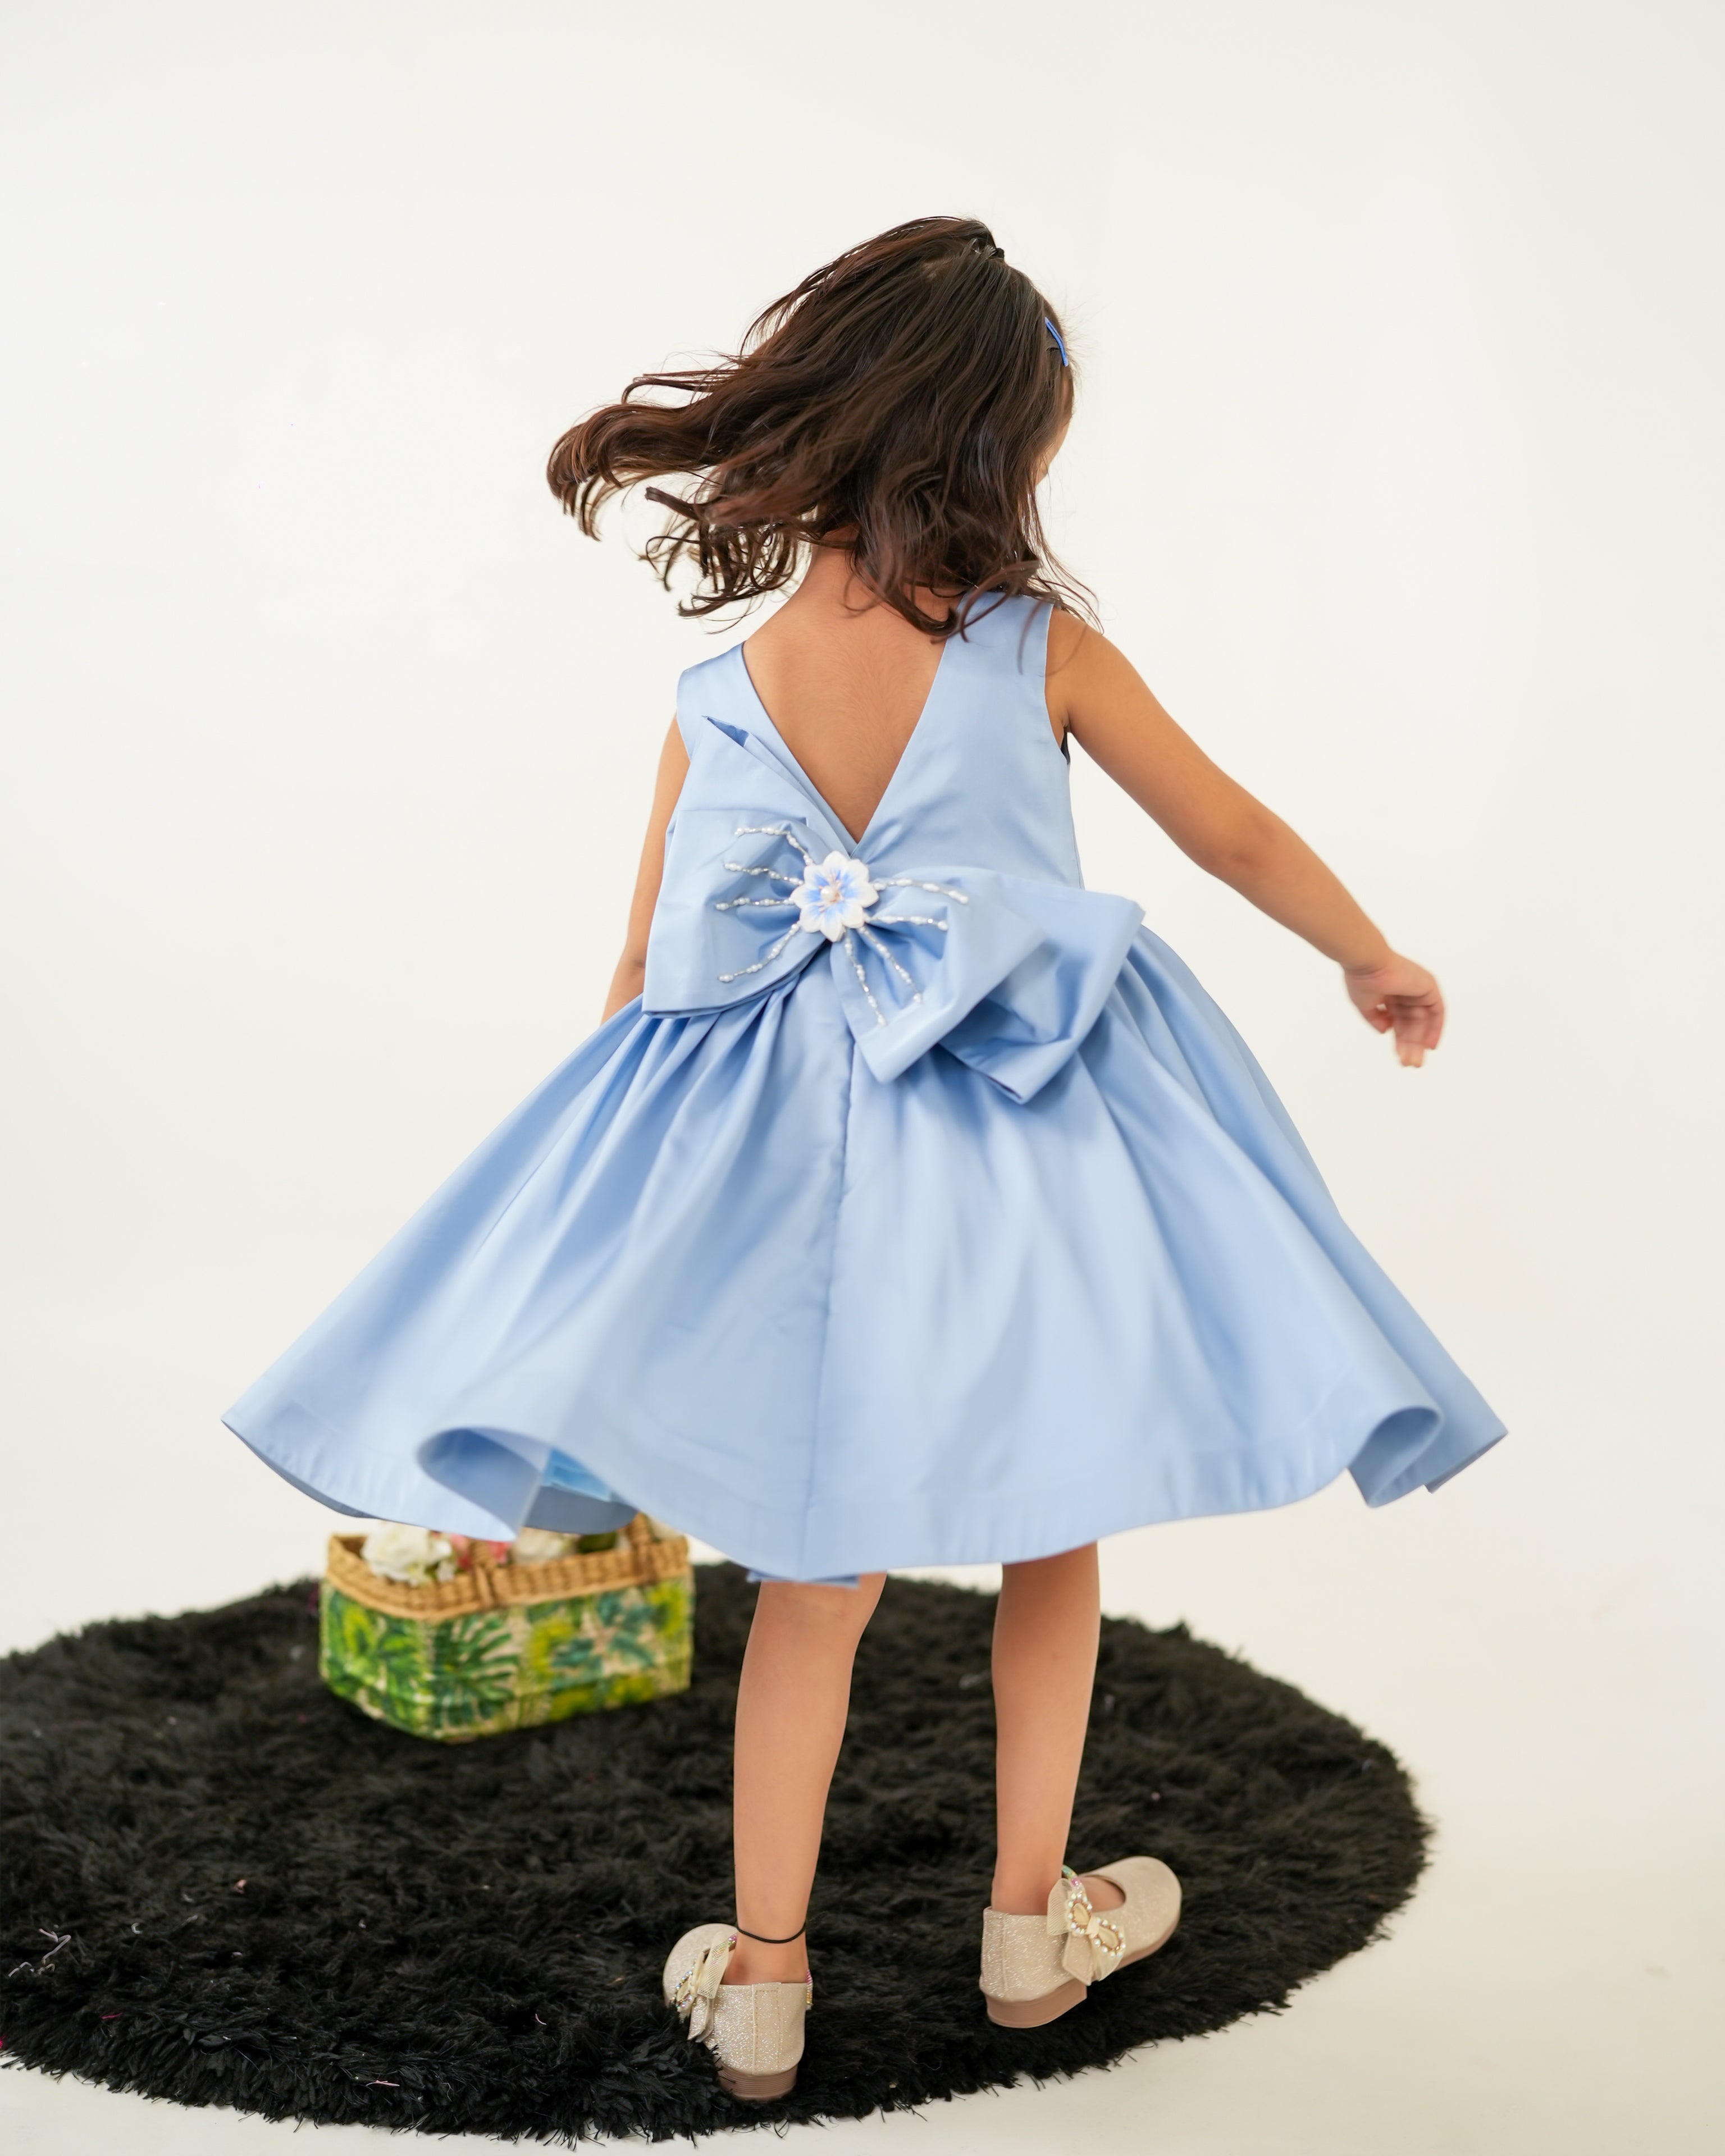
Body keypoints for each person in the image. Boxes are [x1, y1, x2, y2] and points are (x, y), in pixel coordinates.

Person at [224, 216, 1504, 2102]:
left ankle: (762, 1981)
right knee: (1052, 1519)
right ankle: (1029, 1931)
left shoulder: (720, 693)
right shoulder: (1040, 650)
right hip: (1026, 1137)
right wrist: (1365, 952)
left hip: (801, 1182)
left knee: (815, 1566)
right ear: (996, 449)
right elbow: (1224, 828)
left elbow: (648, 978)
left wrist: (615, 1225)